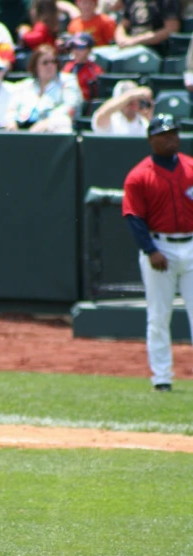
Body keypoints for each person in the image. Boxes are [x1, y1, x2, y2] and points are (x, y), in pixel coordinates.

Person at [122, 113, 193, 391]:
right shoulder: (139, 176)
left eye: (174, 133)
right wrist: (150, 250)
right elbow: (133, 217)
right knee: (159, 315)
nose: (172, 138)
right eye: (165, 134)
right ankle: (162, 377)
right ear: (152, 139)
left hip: (191, 243)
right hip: (159, 246)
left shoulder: (190, 167)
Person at [5, 42, 82, 132]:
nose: (50, 66)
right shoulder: (25, 85)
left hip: (51, 128)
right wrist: (11, 121)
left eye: (53, 62)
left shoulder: (67, 81)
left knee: (63, 122)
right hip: (24, 128)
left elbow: (70, 106)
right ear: (36, 66)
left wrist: (48, 122)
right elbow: (11, 108)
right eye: (45, 63)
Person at [114, 0, 180, 53]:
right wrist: (121, 39)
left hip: (154, 50)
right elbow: (123, 24)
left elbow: (171, 29)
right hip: (130, 47)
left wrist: (134, 41)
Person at [62, 31, 103, 103]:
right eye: (73, 47)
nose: (76, 51)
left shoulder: (95, 70)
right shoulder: (68, 66)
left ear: (89, 49)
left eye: (80, 47)